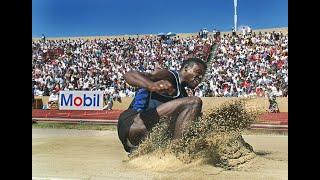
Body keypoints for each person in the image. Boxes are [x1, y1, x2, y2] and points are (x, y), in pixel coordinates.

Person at [117, 57, 207, 153]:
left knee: (196, 120)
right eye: (198, 72)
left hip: (142, 139)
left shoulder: (183, 95)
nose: (199, 77)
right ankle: (176, 152)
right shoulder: (169, 75)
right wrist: (151, 85)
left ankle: (153, 152)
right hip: (134, 123)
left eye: (202, 76)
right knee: (194, 102)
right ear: (186, 68)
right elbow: (129, 75)